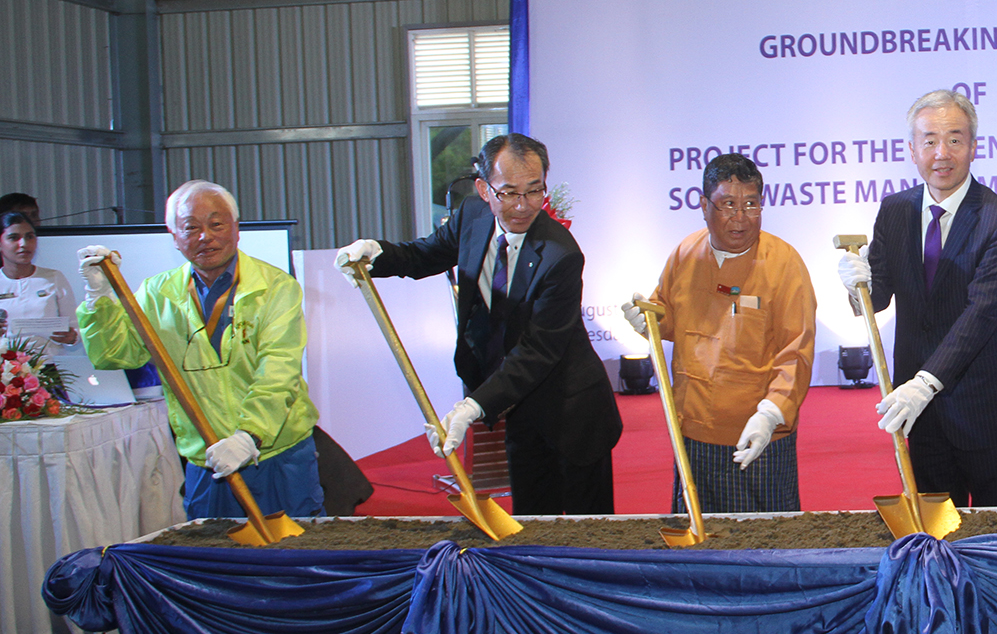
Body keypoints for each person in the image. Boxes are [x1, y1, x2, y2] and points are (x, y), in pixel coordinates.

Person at [336, 133, 622, 514]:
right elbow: (425, 255)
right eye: (509, 193)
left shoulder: (560, 255)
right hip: (517, 408)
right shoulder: (471, 216)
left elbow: (538, 351)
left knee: (588, 535)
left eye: (534, 191)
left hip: (572, 414)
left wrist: (473, 407)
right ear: (484, 189)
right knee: (531, 521)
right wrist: (378, 255)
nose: (523, 206)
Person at [75, 180, 324, 520]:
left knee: (297, 556)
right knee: (212, 560)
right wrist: (99, 299)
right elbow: (116, 355)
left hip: (278, 453)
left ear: (236, 230)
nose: (205, 236)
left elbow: (279, 370)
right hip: (206, 460)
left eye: (216, 224)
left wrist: (248, 436)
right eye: (190, 227)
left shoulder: (275, 287)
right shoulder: (157, 293)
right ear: (174, 237)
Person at [837, 89, 997, 507]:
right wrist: (857, 289)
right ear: (912, 149)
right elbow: (878, 299)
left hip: (986, 406)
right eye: (929, 140)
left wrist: (925, 384)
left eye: (954, 139)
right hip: (919, 412)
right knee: (935, 531)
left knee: (996, 533)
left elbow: (982, 312)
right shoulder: (895, 210)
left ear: (973, 147)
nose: (941, 153)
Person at [623, 153, 816, 513]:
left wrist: (771, 414)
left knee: (765, 546)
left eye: (751, 204)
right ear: (703, 205)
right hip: (693, 429)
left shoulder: (784, 264)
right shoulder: (685, 254)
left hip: (758, 433)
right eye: (728, 205)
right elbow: (668, 314)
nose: (740, 218)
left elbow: (797, 351)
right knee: (699, 542)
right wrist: (646, 319)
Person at [0, 212, 78, 346]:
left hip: (48, 364)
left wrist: (71, 337)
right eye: (14, 238)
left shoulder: (53, 278)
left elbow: (75, 328)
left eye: (29, 237)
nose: (23, 244)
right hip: (5, 364)